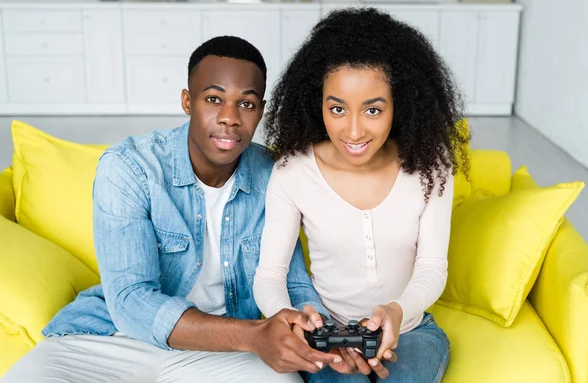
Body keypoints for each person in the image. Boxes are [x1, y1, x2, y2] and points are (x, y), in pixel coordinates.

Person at [2, 36, 342, 383]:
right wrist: (254, 334)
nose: (229, 118)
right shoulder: (130, 167)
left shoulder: (276, 175)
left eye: (246, 104)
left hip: (230, 353)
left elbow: (294, 284)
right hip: (111, 339)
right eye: (213, 99)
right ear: (187, 101)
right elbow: (130, 300)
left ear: (261, 111)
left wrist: (314, 328)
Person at [253, 8, 470, 383]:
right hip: (328, 336)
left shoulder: (431, 167)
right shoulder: (293, 171)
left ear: (399, 104)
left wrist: (398, 311)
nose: (352, 131)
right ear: (316, 102)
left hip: (411, 329)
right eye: (337, 108)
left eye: (372, 109)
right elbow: (270, 275)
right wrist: (295, 323)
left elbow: (433, 266)